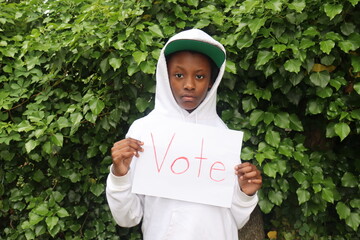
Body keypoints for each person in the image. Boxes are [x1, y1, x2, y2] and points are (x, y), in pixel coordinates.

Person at [106, 29, 262, 240]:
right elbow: (127, 218)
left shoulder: (220, 135)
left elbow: (236, 218)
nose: (189, 84)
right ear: (165, 76)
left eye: (200, 76)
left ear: (210, 82)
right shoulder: (144, 131)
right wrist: (120, 176)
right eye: (179, 75)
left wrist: (245, 194)